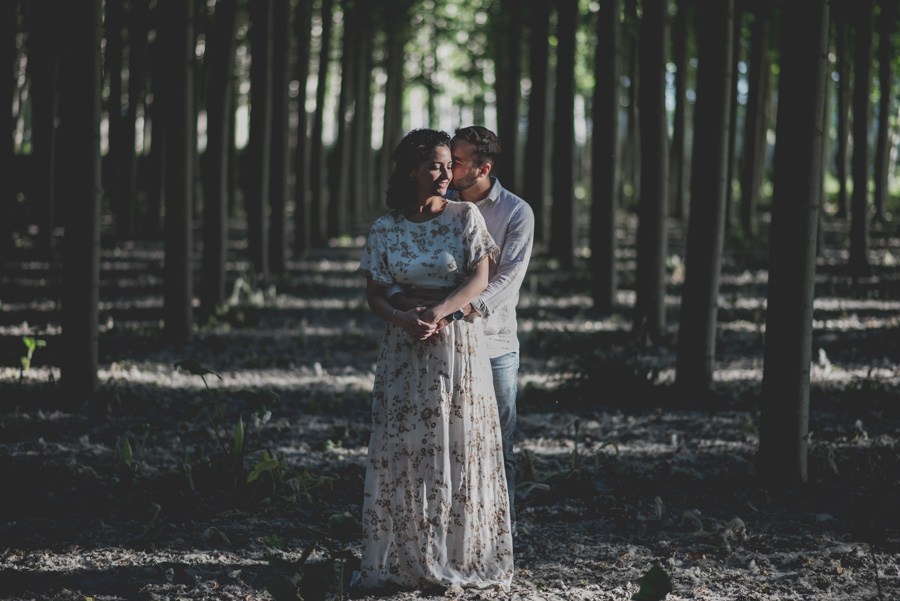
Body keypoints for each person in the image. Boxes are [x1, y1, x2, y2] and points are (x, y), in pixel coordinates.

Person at [356, 128, 514, 591]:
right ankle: (406, 556)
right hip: (404, 350)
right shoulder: (386, 228)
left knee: (458, 445)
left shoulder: (465, 216)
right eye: (435, 166)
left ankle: (461, 555)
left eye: (449, 166)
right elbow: (375, 294)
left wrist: (440, 313)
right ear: (412, 171)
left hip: (456, 347)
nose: (446, 174)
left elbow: (481, 278)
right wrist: (403, 318)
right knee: (406, 448)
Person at [390, 126, 535, 535]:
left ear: (482, 169)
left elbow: (508, 279)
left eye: (455, 162)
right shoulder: (442, 204)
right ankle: (451, 531)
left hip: (494, 343)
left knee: (497, 443)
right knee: (446, 439)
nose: (447, 169)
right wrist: (413, 307)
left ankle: (499, 535)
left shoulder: (515, 212)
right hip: (441, 343)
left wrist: (456, 310)